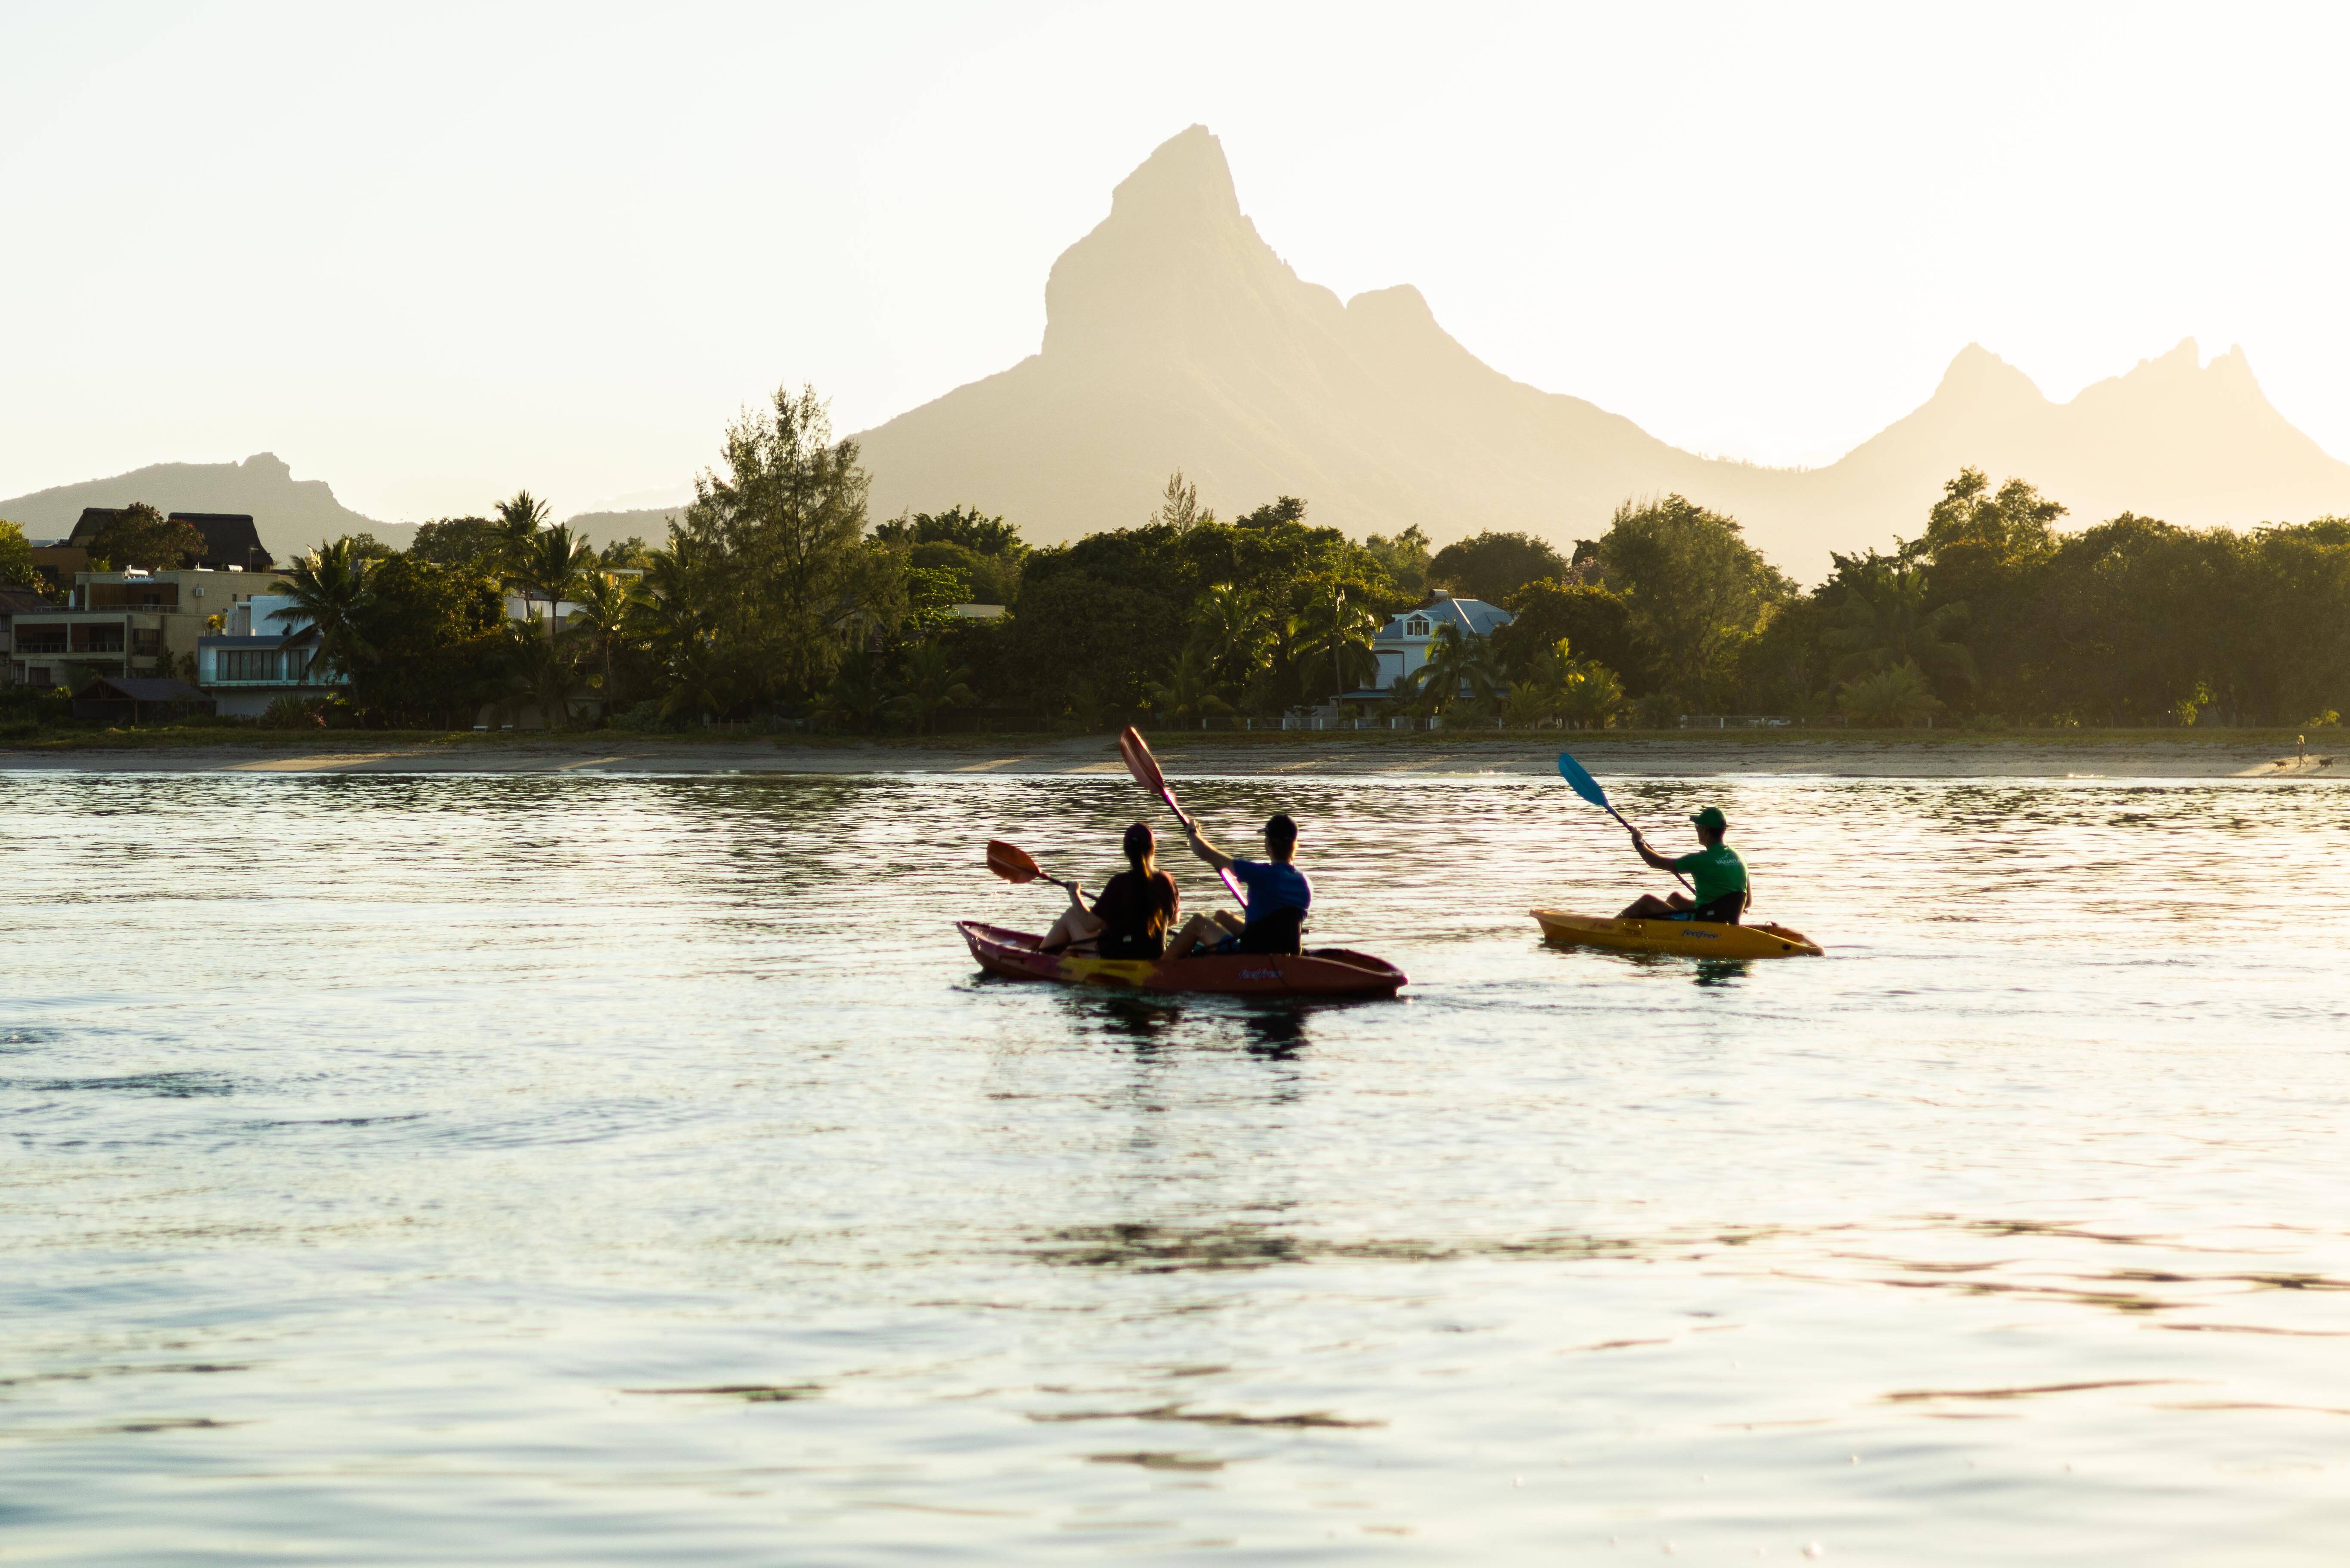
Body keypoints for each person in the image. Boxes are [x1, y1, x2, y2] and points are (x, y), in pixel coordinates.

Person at [1166, 812, 1311, 957]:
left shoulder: (1259, 873)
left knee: (1198, 922)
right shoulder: (1305, 883)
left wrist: (1192, 832)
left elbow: (1204, 852)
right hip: (1284, 947)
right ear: (1294, 845)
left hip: (1254, 953)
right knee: (1221, 916)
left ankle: (1160, 966)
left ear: (1268, 843)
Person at [1040, 822, 1182, 958]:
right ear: (1153, 849)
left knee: (1071, 914)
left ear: (1126, 851)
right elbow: (1175, 919)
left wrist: (1074, 893)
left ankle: (1036, 959)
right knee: (1083, 935)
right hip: (1154, 956)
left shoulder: (1119, 883)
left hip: (1115, 960)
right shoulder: (1167, 880)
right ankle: (1063, 954)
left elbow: (1090, 925)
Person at [1619, 806, 1748, 924]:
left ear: (1705, 830)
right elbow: (1747, 903)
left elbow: (1655, 862)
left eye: (1697, 826)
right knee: (1675, 899)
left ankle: (1607, 928)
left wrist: (1638, 842)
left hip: (1704, 923)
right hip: (1725, 918)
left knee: (1646, 902)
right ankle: (1659, 929)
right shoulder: (1739, 858)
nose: (1696, 830)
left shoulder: (1700, 860)